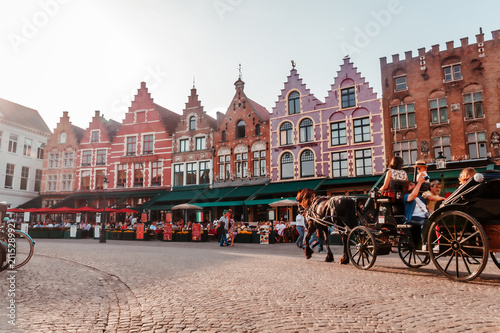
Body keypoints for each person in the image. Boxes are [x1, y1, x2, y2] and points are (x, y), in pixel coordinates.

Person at [404, 176, 430, 249]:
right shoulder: (406, 196)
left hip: (424, 216)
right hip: (412, 217)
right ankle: (424, 243)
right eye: (411, 184)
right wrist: (419, 182)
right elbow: (413, 195)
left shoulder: (420, 197)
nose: (413, 184)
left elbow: (427, 207)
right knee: (425, 222)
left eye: (413, 183)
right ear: (407, 188)